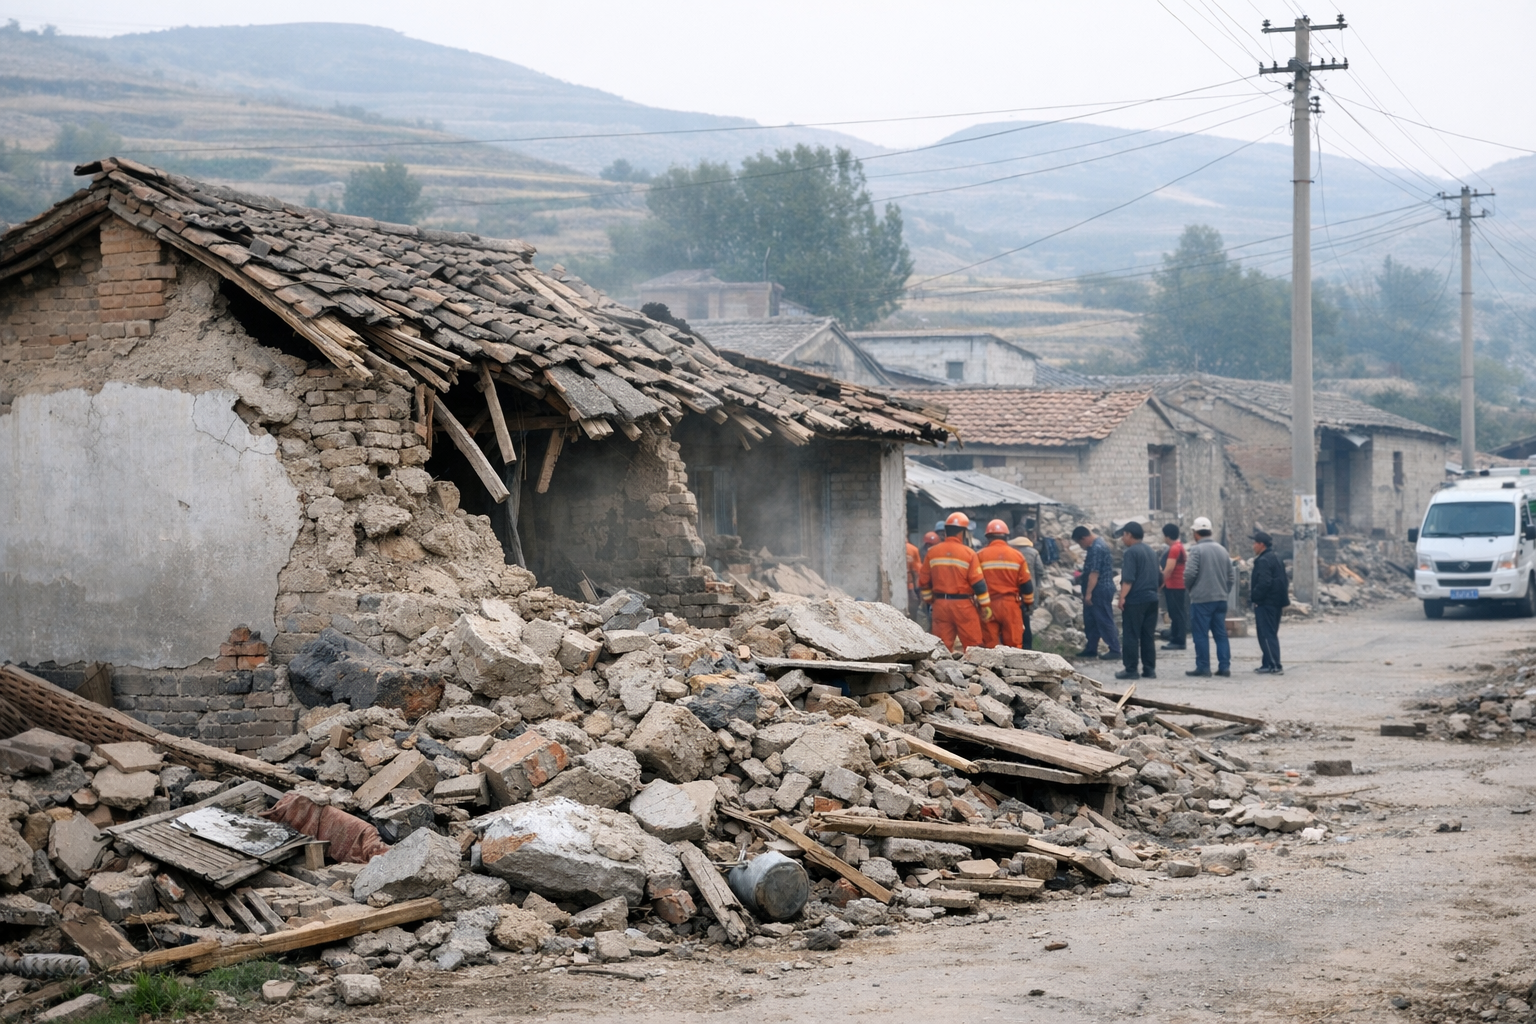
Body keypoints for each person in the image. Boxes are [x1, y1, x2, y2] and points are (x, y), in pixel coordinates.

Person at [919, 512, 993, 652]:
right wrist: (985, 605)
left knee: (941, 649)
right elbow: (978, 584)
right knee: (973, 647)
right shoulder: (969, 553)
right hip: (963, 606)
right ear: (963, 533)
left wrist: (930, 600)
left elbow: (923, 582)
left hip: (940, 605)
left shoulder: (932, 552)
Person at [1183, 516, 1234, 677]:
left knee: (1201, 634)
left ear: (1195, 533)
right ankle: (1224, 667)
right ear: (1210, 531)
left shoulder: (1197, 550)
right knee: (1220, 634)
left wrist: (1191, 589)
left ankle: (1203, 667)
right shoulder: (1222, 550)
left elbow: (1189, 573)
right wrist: (1224, 592)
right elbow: (1231, 577)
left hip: (1201, 600)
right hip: (1220, 599)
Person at [1115, 522, 1159, 680]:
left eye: (1123, 535)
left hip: (1136, 599)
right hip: (1152, 598)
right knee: (1148, 635)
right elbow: (1160, 577)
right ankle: (1149, 669)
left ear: (1128, 534)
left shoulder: (1130, 553)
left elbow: (1128, 579)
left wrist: (1122, 598)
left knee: (1131, 635)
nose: (1122, 538)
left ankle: (1131, 669)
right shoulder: (1151, 552)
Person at [979, 520, 1032, 649]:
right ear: (1007, 537)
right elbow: (1026, 584)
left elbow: (975, 582)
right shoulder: (1017, 556)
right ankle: (1012, 669)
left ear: (988, 537)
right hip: (1010, 605)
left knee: (990, 646)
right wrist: (1028, 604)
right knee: (1014, 646)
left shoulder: (979, 556)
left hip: (988, 605)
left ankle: (990, 669)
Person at [1072, 525, 1121, 660]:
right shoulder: (1096, 546)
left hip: (1099, 590)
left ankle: (1115, 649)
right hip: (1097, 589)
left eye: (1079, 543)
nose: (1081, 546)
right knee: (1091, 621)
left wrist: (1088, 594)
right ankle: (1091, 648)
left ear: (1084, 538)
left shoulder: (1097, 548)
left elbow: (1094, 573)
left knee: (1104, 619)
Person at [1249, 530, 1290, 674]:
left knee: (1266, 634)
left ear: (1261, 545)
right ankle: (1267, 663)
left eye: (1255, 543)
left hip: (1266, 603)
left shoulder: (1263, 560)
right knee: (1270, 632)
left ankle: (1275, 665)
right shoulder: (1276, 557)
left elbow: (1264, 583)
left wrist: (1255, 597)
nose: (1253, 546)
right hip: (1276, 602)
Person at [1010, 535, 1045, 649]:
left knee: (1012, 621)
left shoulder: (1012, 553)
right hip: (1030, 588)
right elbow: (1040, 571)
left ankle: (1013, 646)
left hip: (1014, 591)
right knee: (1026, 620)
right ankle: (1027, 647)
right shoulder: (1034, 553)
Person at [1160, 523, 1189, 650]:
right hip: (1179, 585)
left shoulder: (1174, 549)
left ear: (1167, 536)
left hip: (1174, 585)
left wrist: (1160, 583)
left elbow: (1169, 569)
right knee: (1178, 613)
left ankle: (1178, 640)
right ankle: (1176, 637)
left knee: (1176, 613)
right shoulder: (1180, 547)